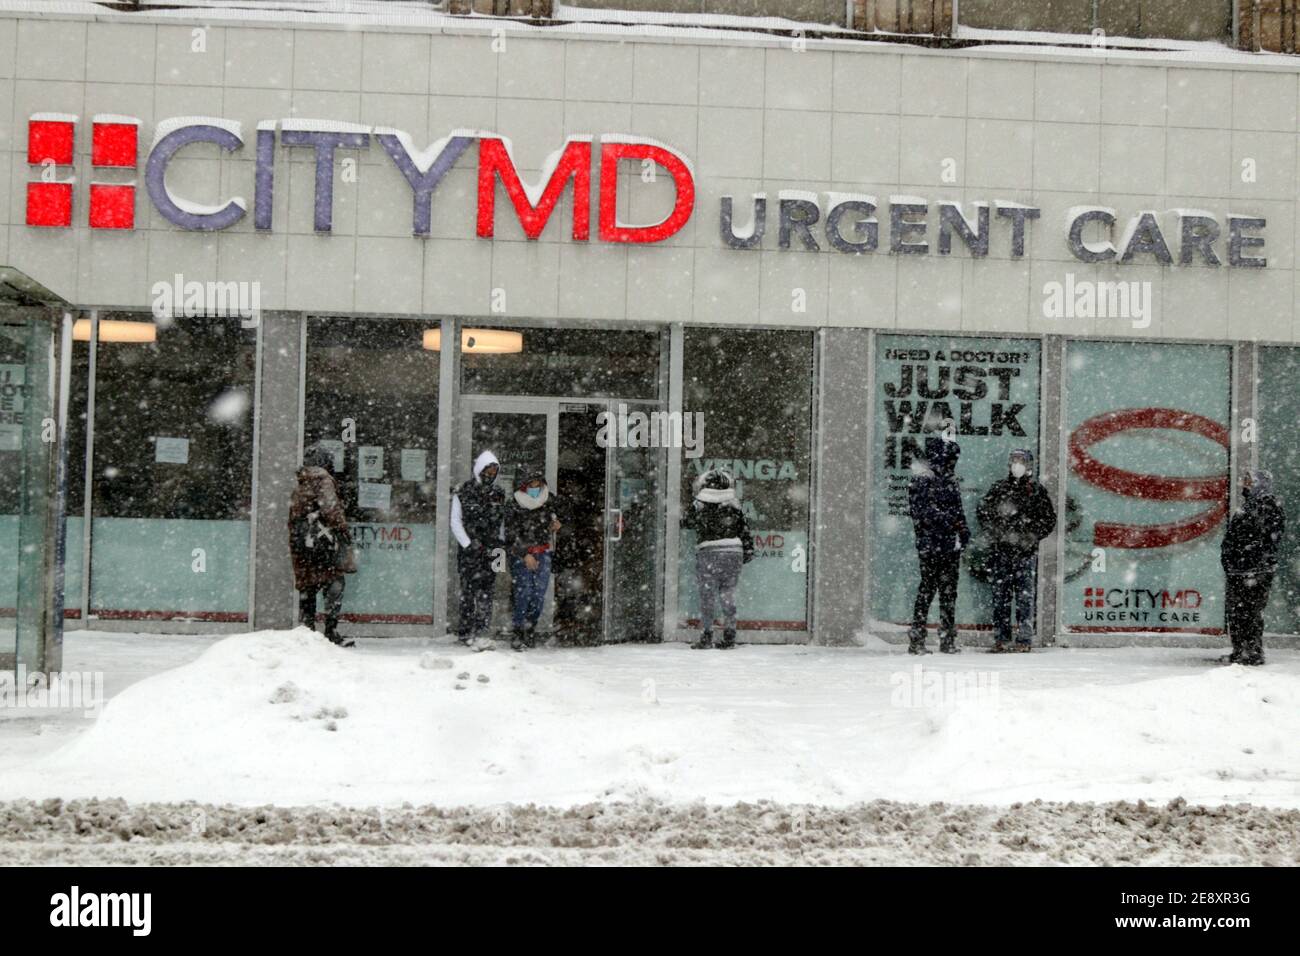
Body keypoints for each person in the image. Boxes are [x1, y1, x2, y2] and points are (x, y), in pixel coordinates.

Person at [976, 448, 1057, 653]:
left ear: (1029, 465)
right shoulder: (999, 488)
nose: (1017, 465)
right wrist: (998, 533)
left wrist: (1030, 536)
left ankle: (1024, 639)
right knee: (1000, 597)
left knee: (1024, 598)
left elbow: (1048, 519)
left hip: (1025, 553)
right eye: (1014, 461)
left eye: (1021, 461)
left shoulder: (1037, 491)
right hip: (1001, 552)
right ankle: (1001, 638)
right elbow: (983, 512)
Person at [288, 443, 356, 648]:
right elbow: (331, 508)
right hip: (325, 542)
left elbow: (293, 515)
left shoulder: (302, 481)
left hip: (303, 542)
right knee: (335, 581)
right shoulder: (323, 479)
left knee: (308, 584)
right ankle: (330, 631)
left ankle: (307, 630)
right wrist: (343, 531)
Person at [907, 435, 969, 655]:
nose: (952, 463)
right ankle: (919, 638)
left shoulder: (947, 480)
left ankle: (945, 637)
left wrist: (962, 530)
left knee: (946, 593)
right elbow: (924, 513)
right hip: (933, 545)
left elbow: (957, 511)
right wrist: (953, 524)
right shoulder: (924, 480)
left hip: (947, 545)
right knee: (930, 591)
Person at [1219, 469, 1285, 666]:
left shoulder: (1266, 506)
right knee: (1240, 612)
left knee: (1248, 612)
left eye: (1248, 481)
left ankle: (1250, 652)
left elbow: (1266, 539)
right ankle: (1242, 651)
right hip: (1243, 570)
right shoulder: (1253, 505)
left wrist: (1245, 557)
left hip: (1253, 571)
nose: (1244, 484)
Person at [683, 468, 753, 649]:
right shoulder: (734, 504)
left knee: (707, 595)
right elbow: (744, 529)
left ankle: (707, 634)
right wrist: (748, 550)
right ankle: (730, 633)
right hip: (733, 551)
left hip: (709, 550)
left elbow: (687, 522)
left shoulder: (699, 504)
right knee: (728, 592)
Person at [450, 450, 505, 648]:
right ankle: (465, 632)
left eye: (494, 471)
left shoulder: (499, 493)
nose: (490, 475)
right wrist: (467, 544)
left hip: (492, 550)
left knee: (487, 593)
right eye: (487, 470)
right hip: (470, 550)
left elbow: (501, 523)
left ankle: (482, 631)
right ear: (479, 470)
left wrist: (500, 545)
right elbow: (455, 522)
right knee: (468, 593)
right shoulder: (463, 491)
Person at [504, 470, 562, 651]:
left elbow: (559, 517)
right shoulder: (514, 504)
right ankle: (518, 631)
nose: (536, 488)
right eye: (532, 485)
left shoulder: (549, 499)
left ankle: (530, 629)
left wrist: (557, 524)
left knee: (538, 595)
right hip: (523, 555)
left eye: (538, 484)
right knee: (524, 593)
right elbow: (509, 534)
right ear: (524, 486)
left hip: (543, 553)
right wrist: (524, 554)